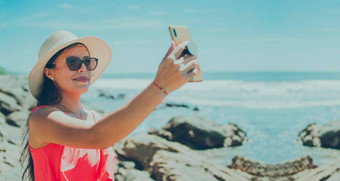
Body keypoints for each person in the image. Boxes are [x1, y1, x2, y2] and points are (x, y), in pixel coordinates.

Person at [20, 30, 197, 181]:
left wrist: (163, 88)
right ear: (49, 72)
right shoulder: (41, 118)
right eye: (73, 62)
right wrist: (160, 87)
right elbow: (96, 136)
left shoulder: (94, 117)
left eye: (88, 62)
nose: (83, 68)